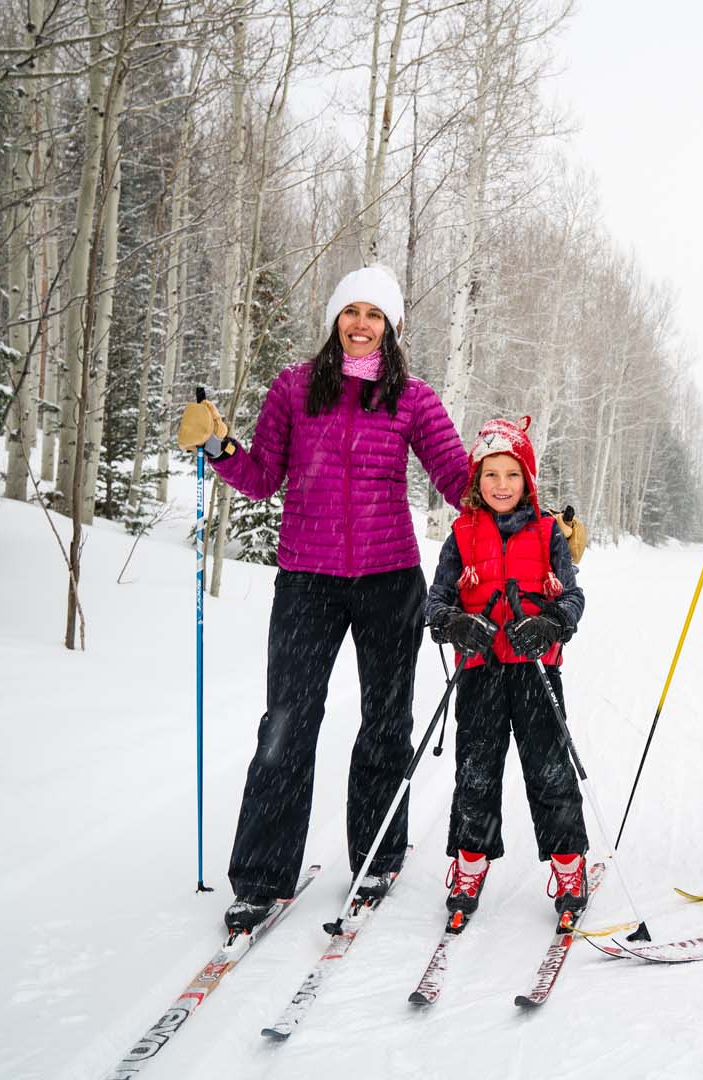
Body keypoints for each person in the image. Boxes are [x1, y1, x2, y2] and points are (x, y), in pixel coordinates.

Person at [176, 265, 470, 932]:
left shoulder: (414, 399)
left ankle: (377, 856)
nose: (361, 323)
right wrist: (220, 445)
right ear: (336, 318)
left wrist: (522, 510)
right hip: (307, 579)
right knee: (286, 721)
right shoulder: (293, 388)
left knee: (386, 722)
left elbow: (457, 478)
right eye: (351, 310)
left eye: (375, 314)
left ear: (391, 327)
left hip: (389, 577)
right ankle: (260, 875)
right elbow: (260, 477)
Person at [424, 416, 589, 921]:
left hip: (536, 673)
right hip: (479, 672)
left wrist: (551, 624)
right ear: (476, 480)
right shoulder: (461, 534)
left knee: (549, 770)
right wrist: (455, 623)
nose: (501, 485)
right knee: (476, 773)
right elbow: (435, 601)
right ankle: (470, 862)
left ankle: (568, 865)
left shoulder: (546, 533)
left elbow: (575, 597)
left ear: (527, 480)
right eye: (490, 475)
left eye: (511, 475)